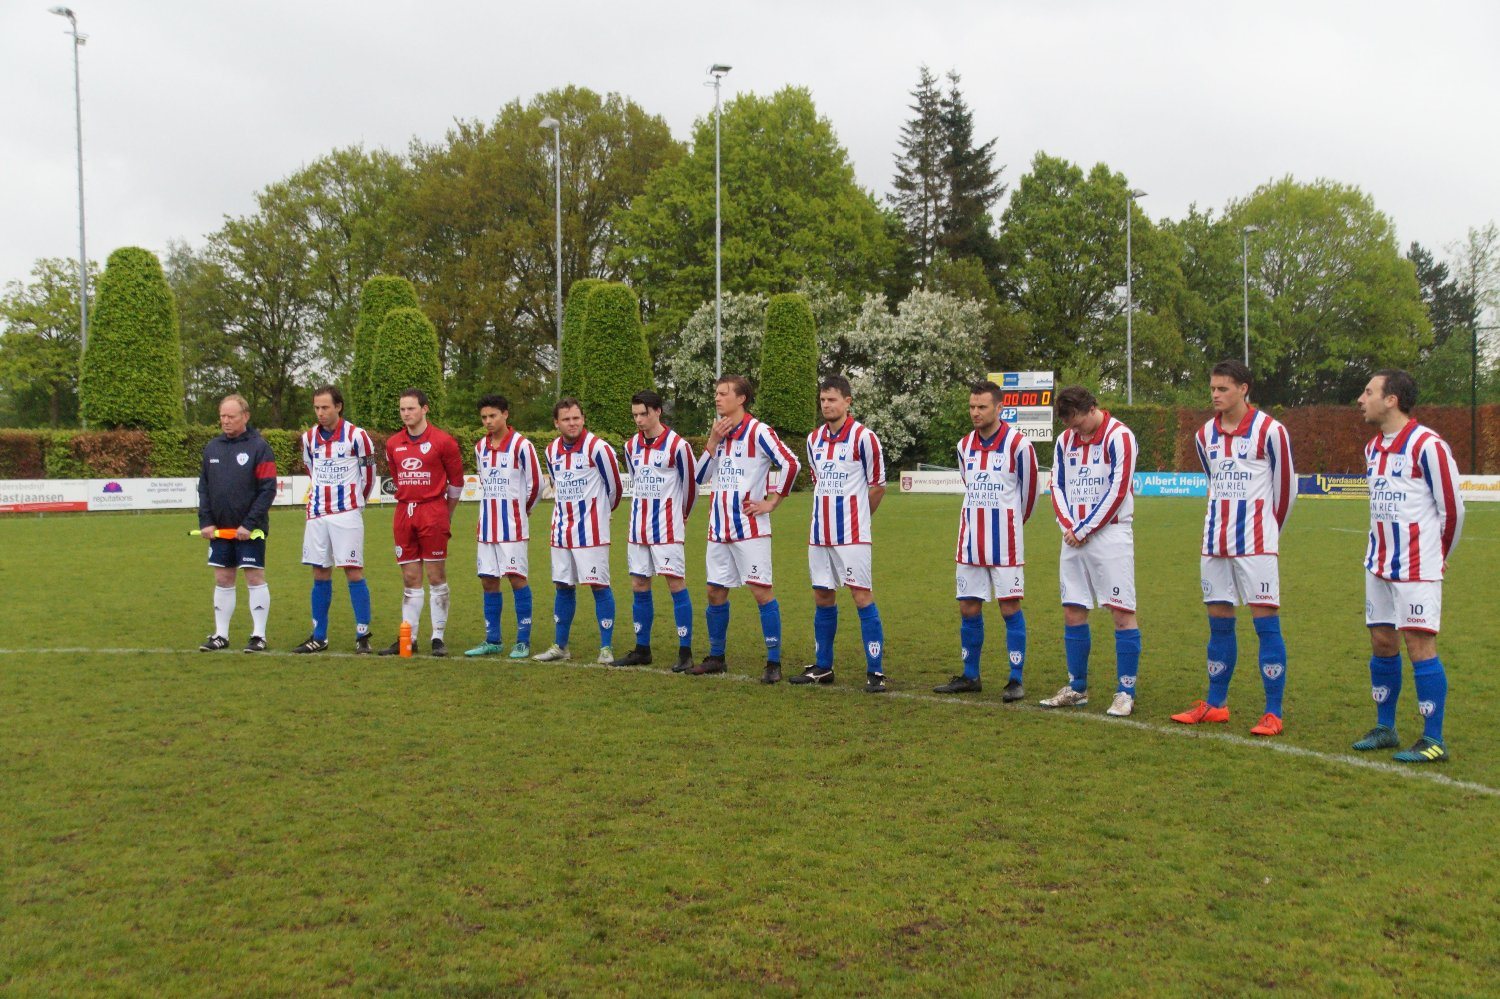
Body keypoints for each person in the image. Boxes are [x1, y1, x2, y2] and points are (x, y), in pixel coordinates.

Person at [1171, 360, 1295, 735]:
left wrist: (1269, 532)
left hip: (1256, 543)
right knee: (1219, 623)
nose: (1215, 395)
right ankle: (1216, 704)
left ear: (1243, 389)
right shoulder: (1203, 435)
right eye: (1212, 388)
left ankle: (1273, 711)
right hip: (1214, 542)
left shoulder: (1271, 431)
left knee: (1265, 624)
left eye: (1223, 388)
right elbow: (1213, 480)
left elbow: (1286, 490)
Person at [1352, 369, 1465, 763]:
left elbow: (1453, 510)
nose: (1361, 399)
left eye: (1369, 392)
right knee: (1382, 641)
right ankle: (1385, 727)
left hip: (1417, 566)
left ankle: (1433, 739)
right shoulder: (1372, 448)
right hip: (1378, 563)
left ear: (1391, 400)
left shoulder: (1428, 445)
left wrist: (1437, 556)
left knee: (1419, 645)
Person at [691, 375, 802, 684]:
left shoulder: (759, 431)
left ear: (741, 399)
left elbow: (791, 463)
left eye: (723, 393)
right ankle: (716, 657)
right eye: (716, 393)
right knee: (714, 591)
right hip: (719, 528)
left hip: (750, 528)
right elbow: (700, 477)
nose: (717, 398)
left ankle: (773, 662)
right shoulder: (718, 432)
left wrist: (772, 501)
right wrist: (712, 443)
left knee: (760, 591)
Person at [1039, 386, 1142, 716]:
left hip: (1110, 535)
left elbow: (1118, 490)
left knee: (1121, 612)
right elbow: (1057, 485)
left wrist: (1083, 529)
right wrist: (1069, 526)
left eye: (1078, 421)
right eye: (1068, 424)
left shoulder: (1120, 436)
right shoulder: (1064, 441)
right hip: (1073, 537)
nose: (1075, 429)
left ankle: (1125, 692)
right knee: (1073, 609)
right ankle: (1077, 687)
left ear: (1092, 408)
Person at [934, 380, 1037, 697]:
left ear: (999, 408)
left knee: (1009, 607)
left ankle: (1015, 679)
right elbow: (969, 484)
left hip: (1005, 543)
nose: (975, 412)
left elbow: (1029, 495)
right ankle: (970, 676)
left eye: (982, 407)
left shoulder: (1019, 445)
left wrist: (1011, 523)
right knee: (968, 607)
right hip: (970, 542)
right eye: (972, 406)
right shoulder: (964, 446)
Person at [792, 375, 889, 693]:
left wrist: (859, 518)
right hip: (820, 534)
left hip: (852, 535)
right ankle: (823, 666)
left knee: (861, 597)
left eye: (832, 399)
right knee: (822, 596)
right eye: (822, 400)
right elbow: (818, 481)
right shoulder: (813, 440)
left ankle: (875, 671)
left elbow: (878, 486)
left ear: (848, 401)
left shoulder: (864, 438)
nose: (826, 405)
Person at [532, 398, 622, 664]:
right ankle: (560, 646)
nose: (572, 423)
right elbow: (556, 484)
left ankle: (606, 648)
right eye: (566, 419)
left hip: (591, 532)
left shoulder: (598, 448)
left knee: (599, 585)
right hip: (561, 530)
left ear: (583, 419)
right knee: (562, 585)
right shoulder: (551, 451)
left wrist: (602, 514)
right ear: (556, 423)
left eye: (576, 418)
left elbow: (615, 488)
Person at [291, 386, 377, 655]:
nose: (320, 412)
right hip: (317, 513)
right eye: (316, 408)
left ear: (338, 407)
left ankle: (362, 635)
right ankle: (319, 636)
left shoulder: (358, 436)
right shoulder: (308, 438)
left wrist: (356, 503)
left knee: (352, 570)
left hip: (347, 513)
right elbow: (311, 469)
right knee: (320, 572)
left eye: (325, 407)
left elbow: (369, 475)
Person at [378, 388, 464, 657]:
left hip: (432, 511)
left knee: (436, 575)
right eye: (402, 409)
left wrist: (445, 513)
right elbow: (397, 477)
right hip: (404, 512)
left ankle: (437, 637)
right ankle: (410, 637)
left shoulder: (444, 441)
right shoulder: (393, 443)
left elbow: (457, 483)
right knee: (410, 577)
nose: (406, 414)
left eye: (411, 409)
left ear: (425, 409)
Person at [618, 390, 698, 670]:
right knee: (639, 584)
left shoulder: (678, 446)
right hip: (638, 528)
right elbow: (635, 479)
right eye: (635, 415)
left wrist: (682, 515)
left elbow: (690, 486)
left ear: (658, 412)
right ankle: (642, 649)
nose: (639, 420)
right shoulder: (630, 446)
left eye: (644, 414)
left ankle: (685, 651)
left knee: (675, 584)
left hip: (667, 528)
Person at [197, 393, 278, 653]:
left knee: (254, 576)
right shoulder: (212, 448)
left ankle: (259, 635)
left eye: (231, 416)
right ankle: (221, 634)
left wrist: (249, 524)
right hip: (220, 530)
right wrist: (206, 521)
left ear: (245, 416)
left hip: (249, 531)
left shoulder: (260, 447)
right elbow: (204, 488)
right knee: (223, 578)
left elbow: (268, 489)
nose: (226, 421)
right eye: (222, 416)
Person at [464, 394, 542, 660]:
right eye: (484, 417)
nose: (488, 421)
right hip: (487, 528)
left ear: (505, 415)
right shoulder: (480, 447)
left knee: (516, 579)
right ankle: (493, 640)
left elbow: (536, 485)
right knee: (488, 581)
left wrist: (522, 511)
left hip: (513, 528)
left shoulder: (522, 445)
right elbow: (484, 482)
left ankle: (522, 641)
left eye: (493, 416)